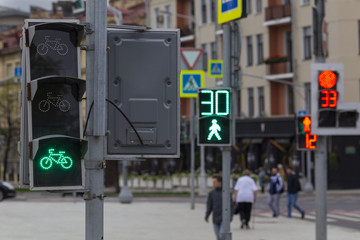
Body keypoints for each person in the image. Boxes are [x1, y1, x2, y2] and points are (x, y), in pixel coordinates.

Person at [205, 174, 223, 240]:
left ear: (220, 182)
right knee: (218, 237)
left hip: (224, 218)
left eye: (214, 182)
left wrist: (230, 216)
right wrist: (207, 215)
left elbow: (231, 205)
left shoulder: (226, 192)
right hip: (215, 218)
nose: (213, 184)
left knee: (221, 235)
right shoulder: (212, 193)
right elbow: (209, 205)